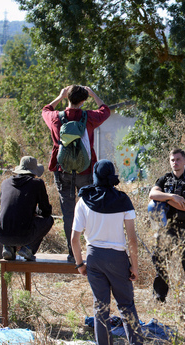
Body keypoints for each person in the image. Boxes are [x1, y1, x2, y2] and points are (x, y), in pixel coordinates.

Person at [71, 160, 157, 345]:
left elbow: (74, 238)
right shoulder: (123, 200)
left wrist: (79, 264)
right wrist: (134, 267)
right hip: (118, 258)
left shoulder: (84, 199)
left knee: (100, 308)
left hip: (93, 257)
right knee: (126, 306)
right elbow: (132, 240)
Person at [42, 85, 111, 263]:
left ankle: (72, 253)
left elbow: (45, 110)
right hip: (85, 169)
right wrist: (94, 93)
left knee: (68, 212)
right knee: (89, 209)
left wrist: (59, 96)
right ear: (83, 100)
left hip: (62, 170)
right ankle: (92, 249)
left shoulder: (56, 117)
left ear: (68, 98)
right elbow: (105, 110)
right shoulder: (89, 117)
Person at [149, 148, 185, 307]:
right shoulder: (164, 179)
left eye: (178, 159)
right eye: (172, 160)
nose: (175, 163)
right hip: (167, 229)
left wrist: (163, 198)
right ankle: (159, 298)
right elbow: (152, 195)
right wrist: (172, 197)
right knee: (161, 264)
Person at [0, 156, 54, 261]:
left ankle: (8, 247)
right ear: (34, 172)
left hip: (1, 234)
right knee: (49, 220)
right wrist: (35, 213)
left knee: (8, 219)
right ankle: (28, 248)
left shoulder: (5, 183)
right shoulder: (37, 184)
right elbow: (46, 212)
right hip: (23, 233)